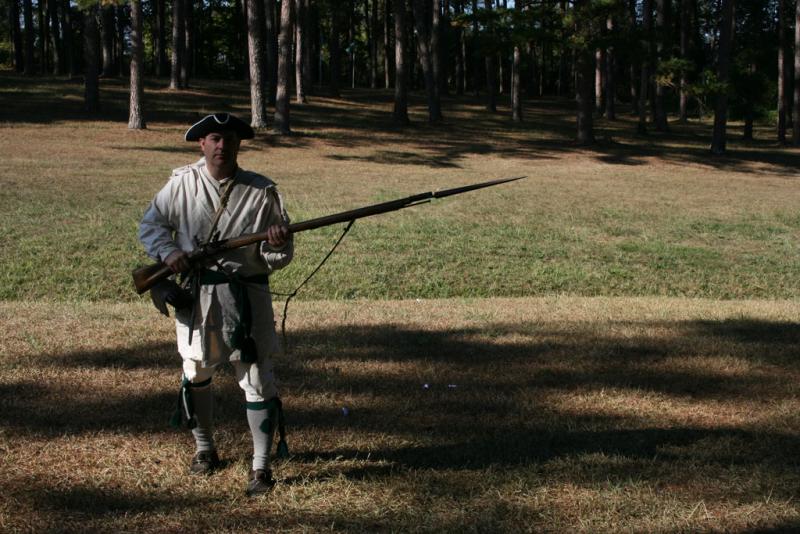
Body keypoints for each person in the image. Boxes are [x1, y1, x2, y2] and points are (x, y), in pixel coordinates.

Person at [138, 113, 293, 496]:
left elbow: (278, 257)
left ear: (240, 144)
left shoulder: (261, 191)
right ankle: (205, 450)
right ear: (201, 144)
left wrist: (275, 245)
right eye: (214, 138)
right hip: (199, 296)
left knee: (257, 380)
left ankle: (260, 468)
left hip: (248, 295)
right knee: (196, 372)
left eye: (229, 139)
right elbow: (151, 227)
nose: (222, 145)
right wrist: (170, 251)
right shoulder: (180, 184)